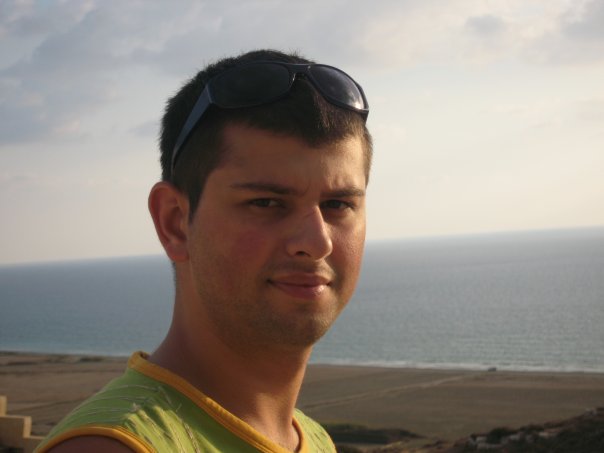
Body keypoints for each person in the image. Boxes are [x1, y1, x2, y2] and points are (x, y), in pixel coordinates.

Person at [37, 49, 372, 453]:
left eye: (338, 204)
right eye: (266, 203)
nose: (317, 242)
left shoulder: (312, 439)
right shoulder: (111, 447)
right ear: (175, 222)